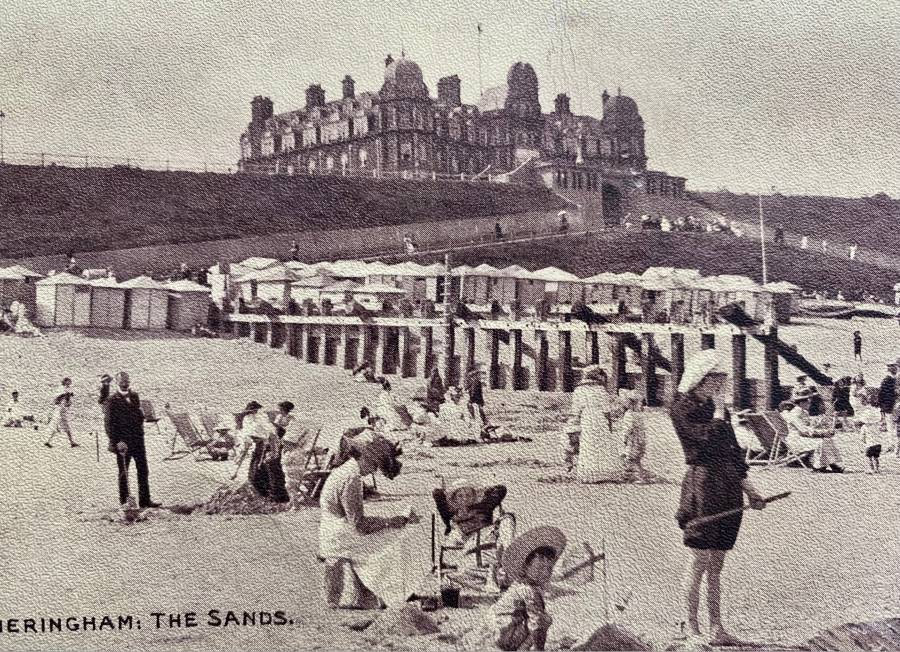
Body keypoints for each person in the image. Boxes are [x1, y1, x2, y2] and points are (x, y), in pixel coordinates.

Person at [671, 350, 767, 646]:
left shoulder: (717, 410)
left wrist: (751, 490)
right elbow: (705, 442)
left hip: (727, 487)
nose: (721, 384)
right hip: (703, 485)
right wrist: (717, 412)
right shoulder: (681, 408)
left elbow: (733, 453)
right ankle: (692, 628)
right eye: (717, 379)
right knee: (699, 559)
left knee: (717, 564)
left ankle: (716, 628)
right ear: (702, 379)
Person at [319, 434, 424, 609]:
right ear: (365, 457)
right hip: (340, 534)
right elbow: (359, 525)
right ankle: (389, 592)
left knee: (390, 531)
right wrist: (391, 521)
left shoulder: (345, 470)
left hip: (332, 528)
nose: (375, 470)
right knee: (396, 537)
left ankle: (371, 594)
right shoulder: (352, 478)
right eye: (375, 464)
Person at [490, 526, 566, 651]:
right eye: (540, 568)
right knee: (543, 620)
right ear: (525, 568)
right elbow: (536, 621)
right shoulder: (527, 590)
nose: (545, 573)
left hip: (501, 631)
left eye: (548, 569)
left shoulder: (523, 586)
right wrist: (539, 648)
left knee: (541, 618)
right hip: (503, 635)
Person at [101, 372, 159, 508]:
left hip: (138, 440)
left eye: (127, 380)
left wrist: (145, 418)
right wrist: (117, 442)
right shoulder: (111, 400)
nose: (125, 383)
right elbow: (109, 424)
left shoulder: (134, 396)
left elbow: (137, 414)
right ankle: (125, 503)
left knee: (143, 470)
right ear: (117, 382)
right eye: (122, 381)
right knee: (123, 473)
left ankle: (145, 501)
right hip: (123, 443)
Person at [569, 365, 621, 483]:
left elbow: (575, 410)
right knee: (602, 443)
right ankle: (605, 472)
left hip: (587, 418)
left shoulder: (579, 391)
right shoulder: (601, 390)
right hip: (600, 418)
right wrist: (609, 425)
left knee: (588, 444)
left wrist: (574, 423)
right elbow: (607, 410)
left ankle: (589, 473)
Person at [783, 389, 844, 472]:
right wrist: (822, 433)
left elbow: (808, 427)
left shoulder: (803, 412)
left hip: (802, 437)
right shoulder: (795, 414)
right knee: (821, 442)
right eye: (808, 401)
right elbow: (803, 430)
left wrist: (820, 429)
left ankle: (830, 464)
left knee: (827, 440)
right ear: (801, 403)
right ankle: (818, 467)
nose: (810, 403)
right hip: (796, 439)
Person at [616, 389, 652, 483]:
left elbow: (627, 428)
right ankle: (627, 475)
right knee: (635, 459)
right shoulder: (639, 415)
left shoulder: (629, 414)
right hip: (639, 440)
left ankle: (638, 477)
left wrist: (623, 438)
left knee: (631, 459)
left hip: (631, 440)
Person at [44, 378, 78, 448]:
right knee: (62, 426)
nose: (70, 382)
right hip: (60, 411)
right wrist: (66, 395)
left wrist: (68, 397)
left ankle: (48, 441)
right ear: (65, 382)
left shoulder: (67, 389)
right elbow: (57, 399)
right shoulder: (62, 389)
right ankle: (71, 442)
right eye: (68, 381)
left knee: (61, 426)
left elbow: (67, 402)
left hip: (62, 410)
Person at [855, 393, 884, 474]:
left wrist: (863, 441)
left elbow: (862, 436)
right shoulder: (877, 425)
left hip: (870, 444)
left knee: (869, 458)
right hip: (878, 443)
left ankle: (871, 469)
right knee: (876, 458)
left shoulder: (864, 426)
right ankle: (877, 469)